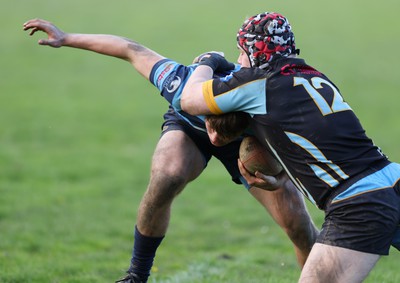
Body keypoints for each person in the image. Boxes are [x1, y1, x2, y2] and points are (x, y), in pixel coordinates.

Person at [23, 19, 319, 283]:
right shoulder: (183, 84)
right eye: (212, 127)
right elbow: (132, 49)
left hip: (251, 142)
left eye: (222, 132)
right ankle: (136, 275)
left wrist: (277, 179)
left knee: (298, 224)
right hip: (189, 127)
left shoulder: (273, 105)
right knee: (168, 173)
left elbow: (306, 164)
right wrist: (67, 37)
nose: (215, 138)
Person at [180, 11, 400, 283]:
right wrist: (279, 176)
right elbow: (312, 142)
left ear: (254, 50)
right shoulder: (315, 76)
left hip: (359, 202)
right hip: (392, 178)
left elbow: (189, 100)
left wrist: (207, 62)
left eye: (241, 52)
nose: (239, 61)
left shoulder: (258, 82)